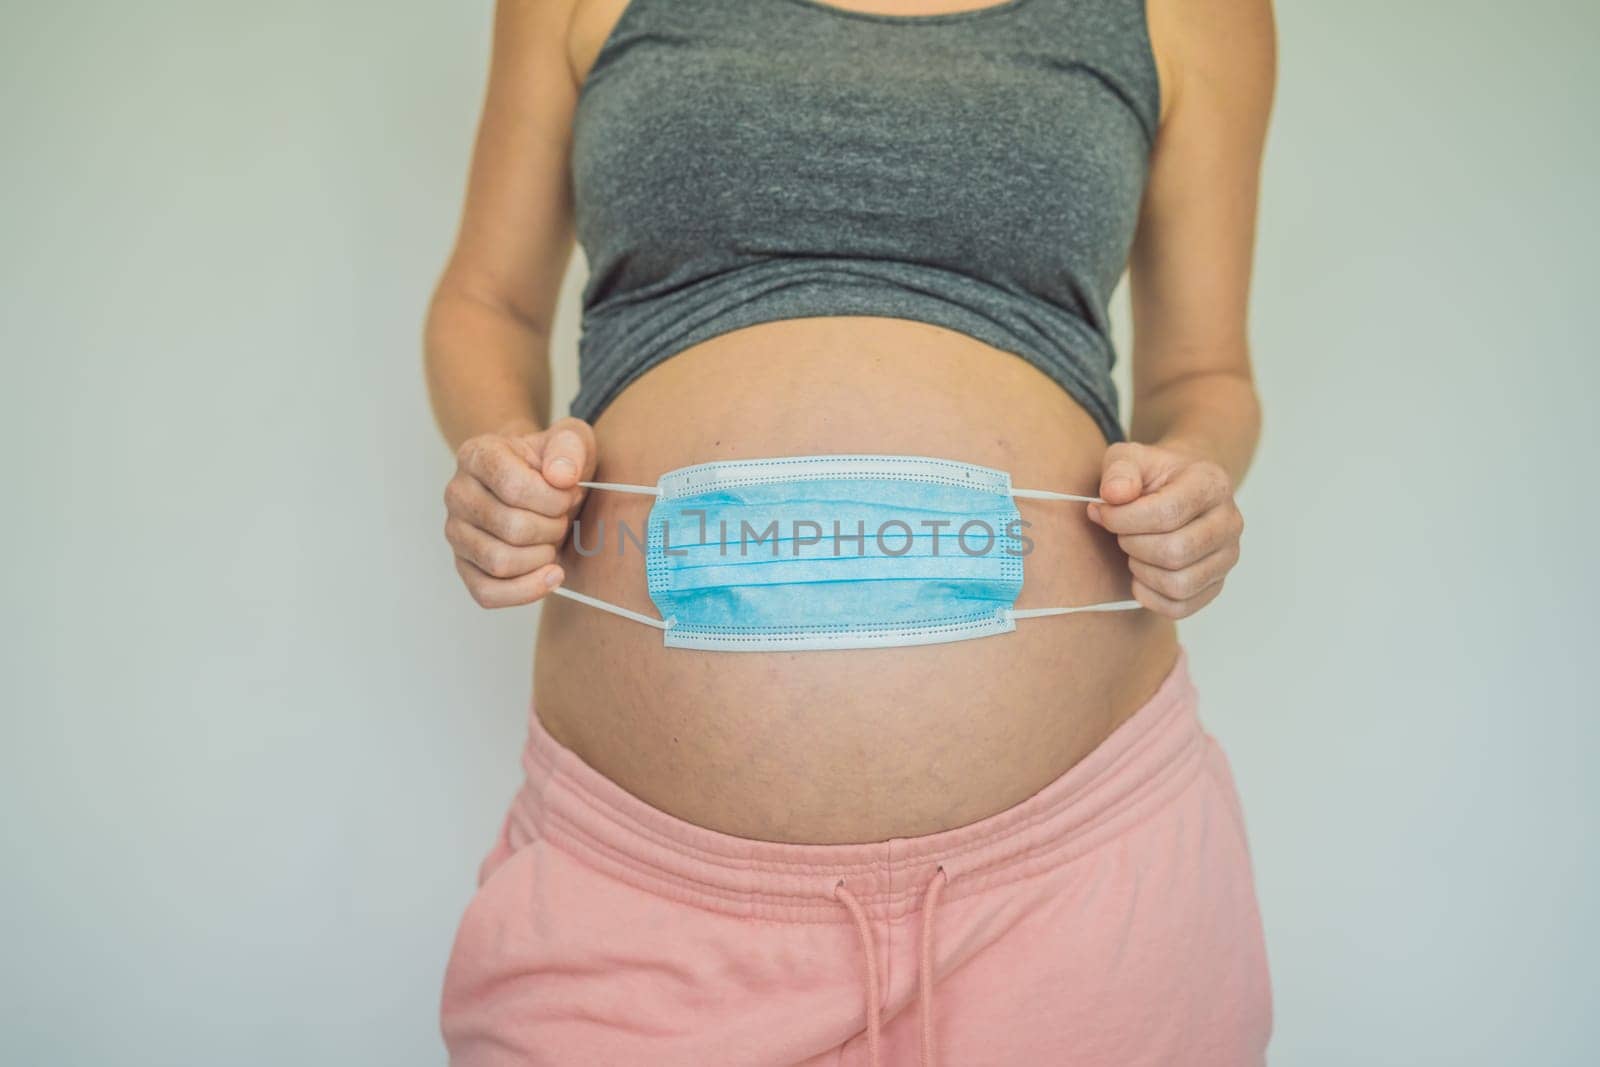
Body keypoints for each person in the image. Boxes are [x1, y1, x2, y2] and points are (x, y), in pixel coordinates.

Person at [424, 0, 1276, 1063]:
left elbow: (1206, 376)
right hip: (643, 912)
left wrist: (1193, 473)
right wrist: (500, 448)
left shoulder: (1196, 14)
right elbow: (487, 301)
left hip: (1078, 894)